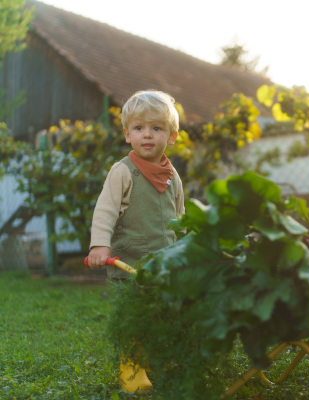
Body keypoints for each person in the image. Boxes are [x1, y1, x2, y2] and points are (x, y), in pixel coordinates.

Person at [85, 89, 185, 392]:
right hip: (129, 262)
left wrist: (185, 247)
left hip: (163, 265)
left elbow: (179, 216)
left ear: (172, 136)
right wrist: (99, 245)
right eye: (139, 128)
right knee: (133, 318)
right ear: (128, 134)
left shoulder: (172, 176)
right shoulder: (123, 172)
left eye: (157, 128)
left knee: (165, 314)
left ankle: (163, 360)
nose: (148, 135)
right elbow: (105, 210)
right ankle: (132, 369)